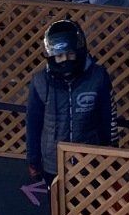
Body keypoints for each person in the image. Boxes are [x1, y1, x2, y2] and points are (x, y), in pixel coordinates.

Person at [25, 19, 116, 181]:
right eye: (59, 56)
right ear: (51, 56)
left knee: (93, 204)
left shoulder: (97, 77)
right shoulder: (40, 82)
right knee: (56, 204)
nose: (65, 60)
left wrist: (112, 152)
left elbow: (108, 118)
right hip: (53, 162)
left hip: (90, 161)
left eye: (70, 54)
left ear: (79, 52)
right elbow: (33, 124)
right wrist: (33, 159)